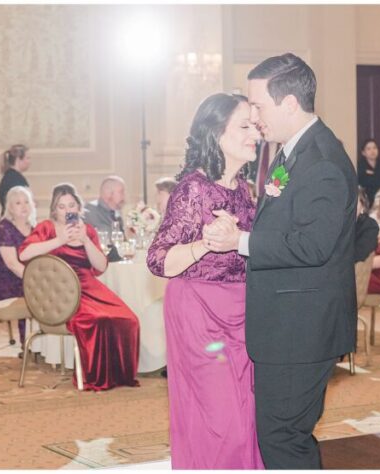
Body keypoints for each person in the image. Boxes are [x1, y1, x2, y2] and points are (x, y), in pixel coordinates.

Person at [207, 53, 357, 469]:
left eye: (259, 105)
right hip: (288, 324)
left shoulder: (323, 161)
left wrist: (241, 241)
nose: (254, 117)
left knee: (283, 439)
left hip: (301, 328)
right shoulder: (293, 152)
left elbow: (312, 246)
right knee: (280, 433)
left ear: (289, 103)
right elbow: (283, 221)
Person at [146, 93, 264, 469]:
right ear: (216, 133)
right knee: (221, 418)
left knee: (247, 415)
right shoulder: (193, 189)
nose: (255, 135)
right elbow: (158, 259)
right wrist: (204, 244)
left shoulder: (244, 189)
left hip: (242, 311)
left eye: (255, 126)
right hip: (198, 312)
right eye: (244, 127)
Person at [18, 183, 140, 391]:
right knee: (97, 320)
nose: (67, 210)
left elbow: (101, 265)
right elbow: (24, 254)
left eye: (71, 205)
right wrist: (60, 240)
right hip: (62, 291)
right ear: (55, 210)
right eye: (62, 206)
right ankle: (96, 377)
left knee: (129, 319)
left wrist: (85, 240)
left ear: (78, 207)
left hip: (88, 285)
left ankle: (120, 376)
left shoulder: (88, 230)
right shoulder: (46, 228)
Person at [0, 185, 36, 354]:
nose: (24, 206)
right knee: (33, 292)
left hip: (23, 278)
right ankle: (28, 345)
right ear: (10, 208)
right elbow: (12, 265)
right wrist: (35, 281)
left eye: (26, 202)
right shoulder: (3, 230)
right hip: (3, 282)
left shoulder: (33, 229)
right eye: (18, 203)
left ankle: (46, 346)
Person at [0, 144, 31, 215]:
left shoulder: (10, 176)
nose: (29, 161)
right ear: (19, 159)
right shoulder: (15, 180)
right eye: (27, 158)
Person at [357, 138, 380, 204]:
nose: (372, 151)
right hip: (366, 200)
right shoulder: (360, 167)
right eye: (369, 149)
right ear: (363, 152)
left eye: (374, 148)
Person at [354, 188, 379, 263]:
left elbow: (359, 254)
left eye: (354, 202)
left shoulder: (369, 226)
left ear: (363, 207)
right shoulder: (334, 224)